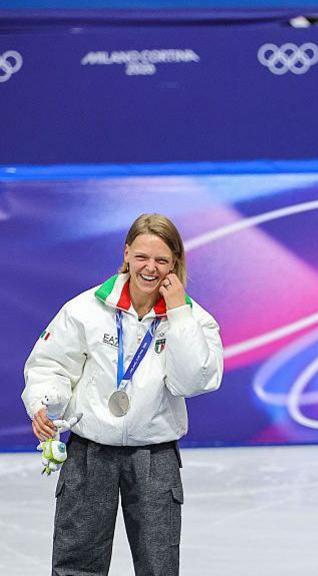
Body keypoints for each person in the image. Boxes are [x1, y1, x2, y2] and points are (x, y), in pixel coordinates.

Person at [23, 213, 224, 576]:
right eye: (142, 257)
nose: (150, 268)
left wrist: (178, 313)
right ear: (126, 252)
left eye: (162, 260)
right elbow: (49, 365)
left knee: (158, 566)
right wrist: (46, 405)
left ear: (175, 263)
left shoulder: (194, 320)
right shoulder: (85, 309)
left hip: (155, 456)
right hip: (90, 452)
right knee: (76, 565)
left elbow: (192, 382)